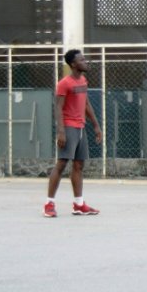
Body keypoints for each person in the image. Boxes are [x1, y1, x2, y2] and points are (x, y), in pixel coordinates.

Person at [44, 49, 103, 218]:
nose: (86, 62)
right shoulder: (64, 83)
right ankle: (49, 203)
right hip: (69, 127)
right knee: (62, 164)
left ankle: (79, 204)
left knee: (78, 166)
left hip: (81, 127)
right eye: (82, 60)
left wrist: (96, 125)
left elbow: (86, 104)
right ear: (73, 64)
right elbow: (58, 107)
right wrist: (61, 131)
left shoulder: (83, 80)